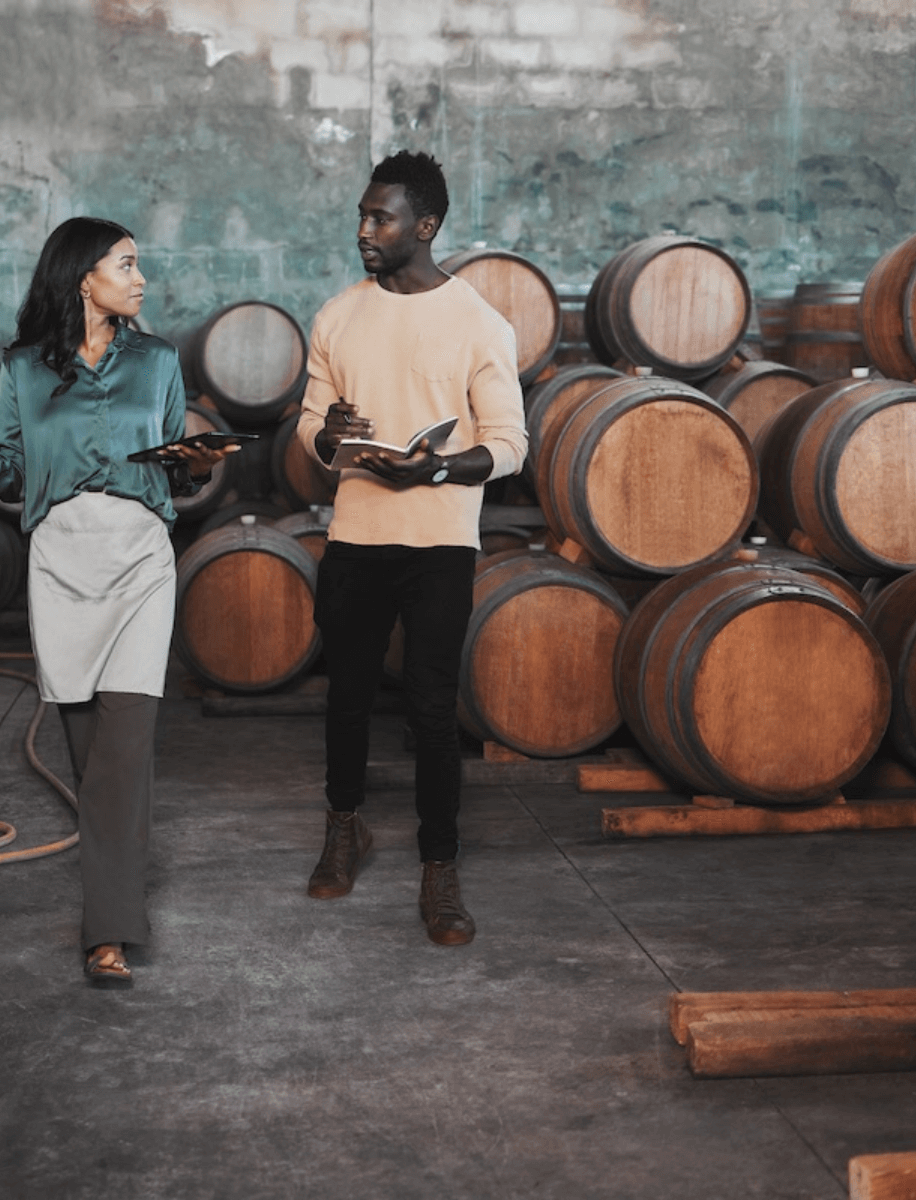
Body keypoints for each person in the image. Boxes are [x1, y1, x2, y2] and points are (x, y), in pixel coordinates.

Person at [0, 217, 235, 987]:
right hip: (62, 561)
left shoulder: (160, 361)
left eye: (139, 267)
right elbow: (11, 475)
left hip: (140, 556)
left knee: (125, 751)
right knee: (89, 760)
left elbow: (174, 469)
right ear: (84, 277)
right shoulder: (24, 369)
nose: (141, 280)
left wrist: (194, 464)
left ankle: (106, 932)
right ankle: (112, 907)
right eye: (127, 265)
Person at [294, 151, 528, 945]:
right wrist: (327, 436)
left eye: (379, 217)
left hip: (438, 543)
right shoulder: (336, 316)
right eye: (362, 214)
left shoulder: (479, 324)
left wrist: (436, 468)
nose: (363, 229)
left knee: (431, 707)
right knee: (348, 697)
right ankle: (344, 826)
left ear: (424, 227)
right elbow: (310, 428)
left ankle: (441, 867)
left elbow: (509, 445)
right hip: (357, 533)